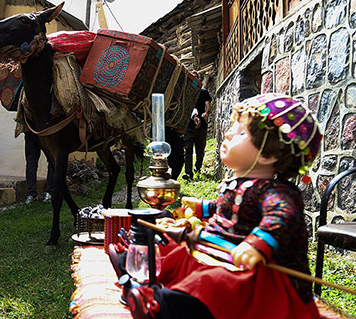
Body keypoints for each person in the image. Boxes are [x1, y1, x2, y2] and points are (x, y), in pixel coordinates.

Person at [129, 93, 323, 319]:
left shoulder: (276, 192)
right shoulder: (237, 183)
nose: (229, 134)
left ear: (269, 154)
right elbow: (229, 208)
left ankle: (172, 306)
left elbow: (282, 216)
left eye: (241, 132)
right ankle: (141, 272)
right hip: (220, 247)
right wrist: (203, 207)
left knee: (215, 282)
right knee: (181, 254)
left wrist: (257, 244)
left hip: (255, 268)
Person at [182, 87, 212, 181]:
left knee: (200, 150)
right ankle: (188, 173)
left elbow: (208, 106)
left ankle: (198, 168)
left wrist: (206, 112)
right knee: (188, 150)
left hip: (202, 126)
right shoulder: (185, 92)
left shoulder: (203, 92)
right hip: (188, 126)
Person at [24, 131, 53, 204]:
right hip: (46, 132)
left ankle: (31, 195)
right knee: (52, 161)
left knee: (31, 163)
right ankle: (50, 193)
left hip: (31, 131)